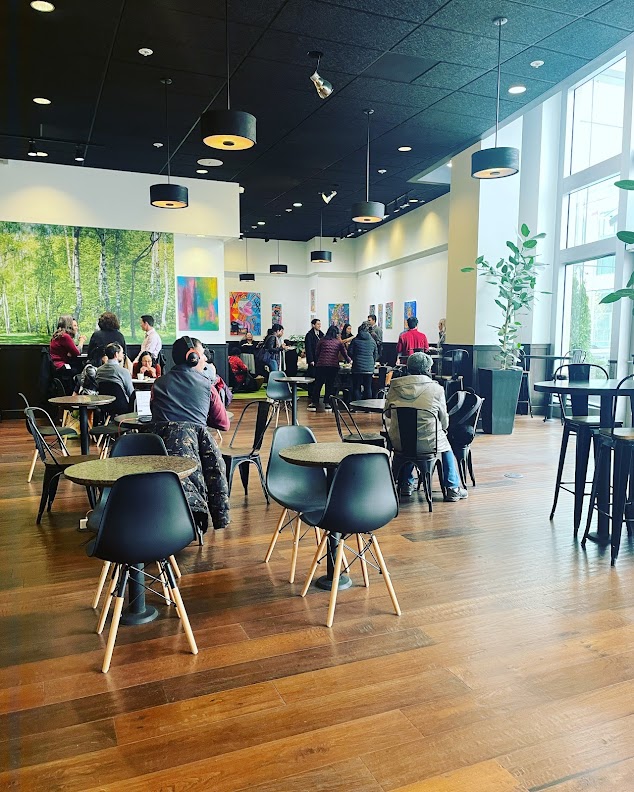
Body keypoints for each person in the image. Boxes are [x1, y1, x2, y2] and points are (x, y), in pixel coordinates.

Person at [150, 336, 230, 533]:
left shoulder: (158, 384)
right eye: (202, 355)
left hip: (158, 456)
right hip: (193, 455)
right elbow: (223, 424)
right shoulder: (207, 386)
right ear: (192, 357)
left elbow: (155, 414)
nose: (205, 359)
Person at [386, 352, 467, 501]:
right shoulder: (436, 389)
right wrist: (442, 427)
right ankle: (452, 488)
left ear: (408, 367)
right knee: (445, 446)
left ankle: (406, 483)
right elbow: (444, 420)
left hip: (399, 442)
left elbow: (388, 414)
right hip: (427, 443)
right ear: (428, 369)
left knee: (408, 439)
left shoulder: (395, 386)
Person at [309, 325, 351, 412]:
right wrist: (350, 361)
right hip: (333, 366)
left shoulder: (322, 340)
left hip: (321, 365)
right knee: (329, 385)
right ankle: (327, 403)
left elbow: (317, 352)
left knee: (318, 384)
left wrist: (320, 360)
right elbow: (344, 353)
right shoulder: (338, 342)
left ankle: (314, 403)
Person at [349, 322, 378, 401]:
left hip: (357, 367)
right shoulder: (372, 341)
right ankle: (368, 405)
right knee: (368, 387)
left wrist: (355, 358)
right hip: (369, 368)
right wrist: (372, 362)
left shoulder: (355, 340)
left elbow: (350, 352)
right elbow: (375, 354)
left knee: (356, 387)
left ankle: (356, 405)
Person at [304, 318, 324, 404]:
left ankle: (316, 394)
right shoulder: (309, 335)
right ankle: (311, 394)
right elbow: (308, 348)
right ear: (313, 325)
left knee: (319, 377)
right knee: (312, 376)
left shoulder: (321, 334)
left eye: (320, 324)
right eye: (318, 324)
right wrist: (310, 360)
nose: (319, 326)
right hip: (313, 359)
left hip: (320, 360)